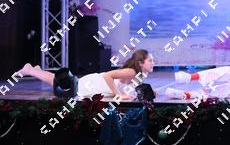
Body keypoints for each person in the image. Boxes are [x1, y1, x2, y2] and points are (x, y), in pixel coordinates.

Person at [17, 49, 154, 100]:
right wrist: (118, 94)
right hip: (93, 84)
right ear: (141, 63)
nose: (153, 63)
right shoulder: (131, 71)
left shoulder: (138, 75)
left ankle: (36, 70)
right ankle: (30, 70)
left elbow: (130, 88)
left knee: (61, 81)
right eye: (150, 60)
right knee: (60, 83)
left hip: (95, 85)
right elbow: (107, 76)